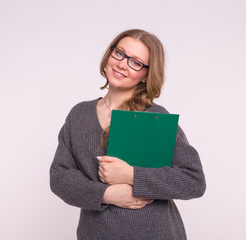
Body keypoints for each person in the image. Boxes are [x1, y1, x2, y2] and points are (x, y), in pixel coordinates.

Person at [50, 29, 206, 240]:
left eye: (136, 62)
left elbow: (193, 180)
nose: (122, 63)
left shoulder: (155, 117)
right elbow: (60, 177)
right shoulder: (79, 114)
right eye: (120, 53)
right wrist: (106, 195)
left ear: (146, 75)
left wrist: (132, 175)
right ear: (109, 54)